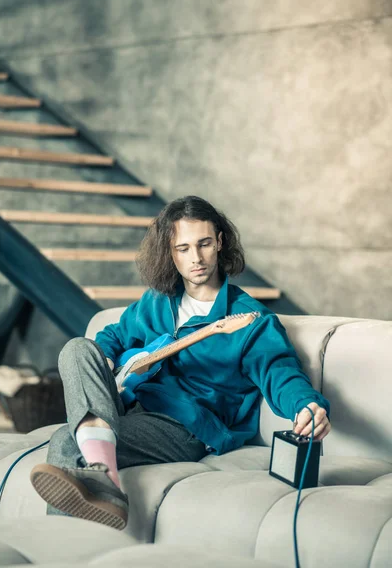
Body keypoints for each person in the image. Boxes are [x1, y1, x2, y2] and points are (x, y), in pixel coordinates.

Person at [30, 195, 331, 530]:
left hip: (187, 425)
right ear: (170, 253)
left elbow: (280, 371)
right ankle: (104, 481)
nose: (196, 258)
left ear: (219, 242)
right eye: (183, 248)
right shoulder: (158, 301)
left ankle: (65, 539)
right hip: (135, 407)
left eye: (203, 244)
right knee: (76, 349)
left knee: (67, 441)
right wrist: (107, 360)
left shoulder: (251, 319)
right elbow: (114, 335)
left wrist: (306, 405)